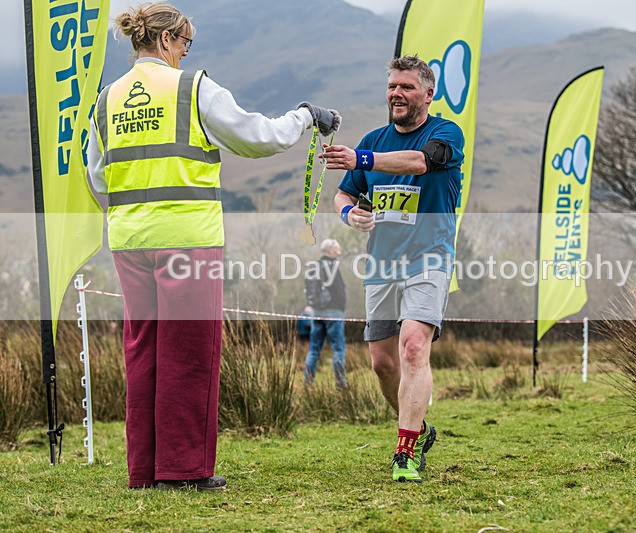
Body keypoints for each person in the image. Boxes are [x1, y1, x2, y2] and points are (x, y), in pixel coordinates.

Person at [87, 3, 340, 491]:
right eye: (184, 43)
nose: (186, 52)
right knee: (189, 351)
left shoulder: (107, 99)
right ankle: (182, 471)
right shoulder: (192, 87)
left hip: (128, 240)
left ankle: (144, 469)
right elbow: (257, 138)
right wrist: (305, 116)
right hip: (189, 239)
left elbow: (98, 177)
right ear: (165, 40)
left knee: (144, 351)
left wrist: (131, 213)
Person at [324, 55, 465, 483]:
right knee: (383, 363)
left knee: (413, 349)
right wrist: (350, 215)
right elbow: (343, 195)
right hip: (382, 263)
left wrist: (362, 160)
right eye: (391, 87)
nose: (396, 94)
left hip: (430, 257)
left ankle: (404, 452)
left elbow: (420, 162)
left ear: (428, 93)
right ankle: (418, 429)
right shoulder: (374, 138)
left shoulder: (446, 133)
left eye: (406, 87)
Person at [303, 239, 347, 388]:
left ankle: (307, 383)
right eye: (336, 247)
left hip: (317, 312)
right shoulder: (332, 267)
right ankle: (341, 384)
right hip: (333, 312)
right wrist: (341, 308)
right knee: (338, 349)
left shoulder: (315, 266)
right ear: (330, 250)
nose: (338, 249)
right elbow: (340, 291)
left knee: (314, 349)